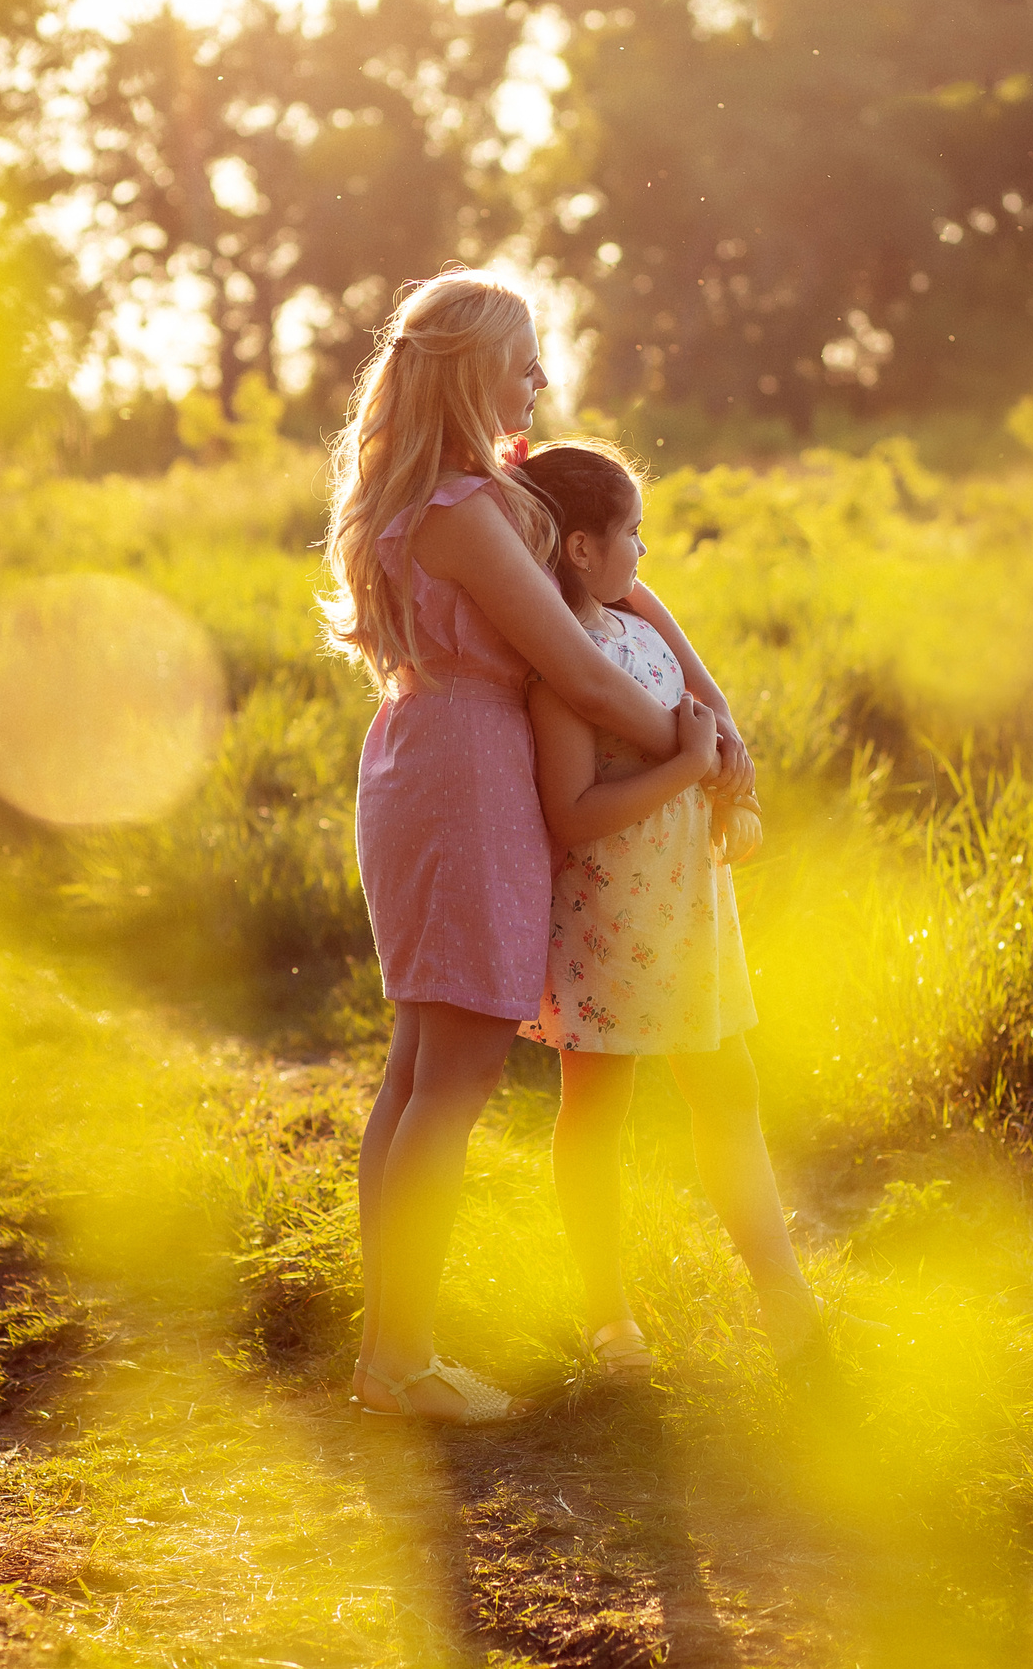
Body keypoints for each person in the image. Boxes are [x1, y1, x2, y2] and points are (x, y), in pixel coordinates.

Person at [319, 269, 754, 1425]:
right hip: (466, 781)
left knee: (421, 1072)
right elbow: (572, 664)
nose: (542, 383)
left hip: (429, 758)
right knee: (447, 1078)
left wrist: (708, 723)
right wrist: (691, 745)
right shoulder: (462, 510)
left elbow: (624, 594)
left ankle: (389, 1349)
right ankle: (399, 1361)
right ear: (472, 373)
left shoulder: (430, 500)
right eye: (524, 365)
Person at [514, 440, 824, 1376]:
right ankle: (609, 1320)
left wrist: (731, 793)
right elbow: (571, 813)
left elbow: (706, 725)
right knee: (598, 1107)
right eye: (633, 535)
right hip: (611, 926)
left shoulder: (635, 631)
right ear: (578, 548)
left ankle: (788, 1302)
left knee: (728, 1089)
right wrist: (689, 767)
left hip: (692, 915)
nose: (643, 555)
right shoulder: (559, 674)